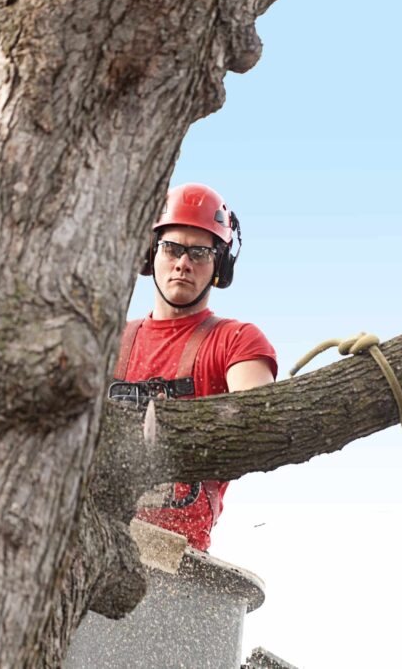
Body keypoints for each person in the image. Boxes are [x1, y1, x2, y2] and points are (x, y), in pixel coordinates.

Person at [111, 183, 277, 551]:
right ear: (150, 253)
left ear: (220, 263)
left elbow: (260, 419)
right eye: (172, 248)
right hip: (91, 542)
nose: (183, 262)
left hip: (179, 557)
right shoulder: (110, 341)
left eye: (200, 252)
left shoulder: (237, 341)